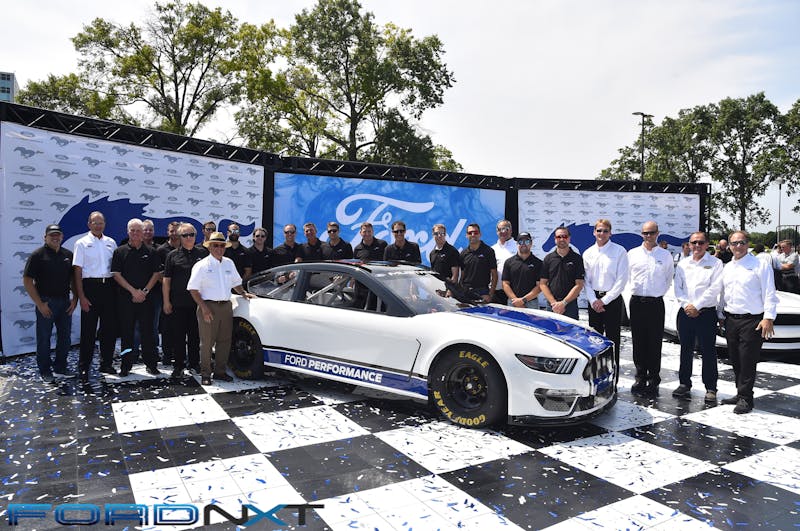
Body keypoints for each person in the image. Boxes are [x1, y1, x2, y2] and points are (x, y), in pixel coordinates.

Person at [718, 230, 778, 414]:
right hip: (731, 319)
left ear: (748, 244)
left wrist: (768, 317)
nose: (738, 246)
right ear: (729, 246)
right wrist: (720, 314)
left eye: (742, 242)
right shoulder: (727, 267)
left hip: (752, 320)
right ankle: (740, 392)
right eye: (734, 243)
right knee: (735, 358)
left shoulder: (760, 265)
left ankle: (746, 398)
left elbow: (769, 292)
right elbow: (723, 293)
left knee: (747, 359)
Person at [187, 231, 255, 386]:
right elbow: (193, 289)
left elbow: (236, 283)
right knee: (207, 343)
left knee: (224, 341)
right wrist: (204, 308)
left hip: (226, 306)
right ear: (209, 247)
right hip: (208, 306)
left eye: (222, 245)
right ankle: (205, 373)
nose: (219, 248)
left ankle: (220, 372)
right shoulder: (201, 265)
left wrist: (243, 293)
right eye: (215, 245)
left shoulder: (229, 263)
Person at [672, 232, 724, 403]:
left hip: (706, 313)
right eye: (694, 242)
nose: (697, 246)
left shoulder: (716, 263)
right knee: (685, 349)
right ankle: (684, 383)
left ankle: (711, 387)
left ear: (707, 244)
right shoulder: (683, 264)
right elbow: (678, 288)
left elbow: (715, 288)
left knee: (708, 350)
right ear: (689, 244)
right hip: (685, 312)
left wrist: (697, 306)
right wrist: (687, 305)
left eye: (701, 242)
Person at [23, 224, 77, 382]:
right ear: (45, 237)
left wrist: (75, 299)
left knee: (65, 337)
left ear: (62, 236)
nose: (55, 237)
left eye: (57, 234)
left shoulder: (68, 255)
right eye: (51, 235)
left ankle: (60, 367)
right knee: (44, 338)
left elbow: (73, 279)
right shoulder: (37, 255)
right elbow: (27, 281)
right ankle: (45, 370)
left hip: (65, 302)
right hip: (46, 302)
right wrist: (40, 304)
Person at [627, 221, 674, 396]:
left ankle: (654, 379)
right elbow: (628, 277)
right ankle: (640, 377)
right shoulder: (632, 254)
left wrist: (657, 293)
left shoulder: (665, 255)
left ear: (657, 233)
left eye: (652, 232)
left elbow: (668, 278)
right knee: (638, 341)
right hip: (637, 302)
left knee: (654, 342)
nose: (648, 236)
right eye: (645, 233)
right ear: (641, 234)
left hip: (655, 303)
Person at [111, 218, 163, 377]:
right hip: (126, 300)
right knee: (126, 334)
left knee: (148, 333)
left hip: (146, 300)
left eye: (138, 230)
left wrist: (144, 292)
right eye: (132, 230)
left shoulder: (152, 252)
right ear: (128, 232)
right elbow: (116, 274)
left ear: (142, 233)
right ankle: (126, 365)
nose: (135, 233)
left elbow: (156, 274)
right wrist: (133, 292)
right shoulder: (119, 251)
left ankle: (151, 364)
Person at [73, 211, 118, 380]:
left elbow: (115, 269)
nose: (98, 226)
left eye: (101, 222)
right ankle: (84, 366)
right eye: (95, 222)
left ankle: (106, 363)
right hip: (90, 288)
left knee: (109, 330)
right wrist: (81, 296)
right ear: (89, 224)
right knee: (88, 331)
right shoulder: (81, 243)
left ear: (105, 224)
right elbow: (77, 271)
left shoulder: (111, 242)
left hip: (109, 288)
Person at [582, 219, 629, 371]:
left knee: (612, 339)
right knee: (594, 339)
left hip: (612, 300)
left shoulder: (619, 251)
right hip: (594, 301)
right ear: (594, 232)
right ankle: (596, 371)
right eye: (599, 230)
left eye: (605, 231)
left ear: (610, 233)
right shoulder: (588, 253)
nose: (602, 234)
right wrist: (593, 300)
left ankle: (612, 373)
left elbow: (622, 280)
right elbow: (586, 281)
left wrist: (604, 301)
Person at [163, 223, 205, 378]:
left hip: (197, 304)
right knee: (178, 337)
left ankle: (194, 364)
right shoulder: (172, 256)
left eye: (191, 234)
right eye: (185, 235)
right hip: (178, 303)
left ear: (195, 236)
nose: (189, 238)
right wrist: (166, 301)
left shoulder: (203, 253)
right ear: (179, 237)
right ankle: (178, 366)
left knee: (195, 336)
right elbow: (166, 280)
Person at [540, 226, 585, 320]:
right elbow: (543, 284)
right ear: (555, 239)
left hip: (570, 305)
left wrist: (563, 303)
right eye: (559, 237)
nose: (561, 239)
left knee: (570, 330)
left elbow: (579, 284)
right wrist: (554, 303)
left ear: (569, 238)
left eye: (564, 236)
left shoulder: (577, 258)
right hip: (552, 305)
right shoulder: (548, 259)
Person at [501, 232, 541, 309]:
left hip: (531, 302)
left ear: (531, 243)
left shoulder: (538, 263)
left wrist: (523, 300)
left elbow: (539, 286)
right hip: (513, 302)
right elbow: (505, 284)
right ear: (517, 244)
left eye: (527, 241)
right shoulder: (509, 262)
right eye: (520, 242)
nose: (523, 244)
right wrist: (516, 301)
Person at [459, 223, 498, 302]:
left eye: (475, 232)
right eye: (470, 233)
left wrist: (490, 294)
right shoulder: (463, 253)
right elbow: (462, 275)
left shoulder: (488, 251)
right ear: (466, 235)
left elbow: (494, 274)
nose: (473, 235)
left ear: (480, 234)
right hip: (466, 292)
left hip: (482, 292)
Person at [491, 219, 517, 305]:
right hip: (496, 292)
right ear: (496, 232)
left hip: (514, 292)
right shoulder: (492, 249)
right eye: (500, 229)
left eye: (506, 229)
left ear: (511, 230)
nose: (503, 232)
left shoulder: (518, 247)